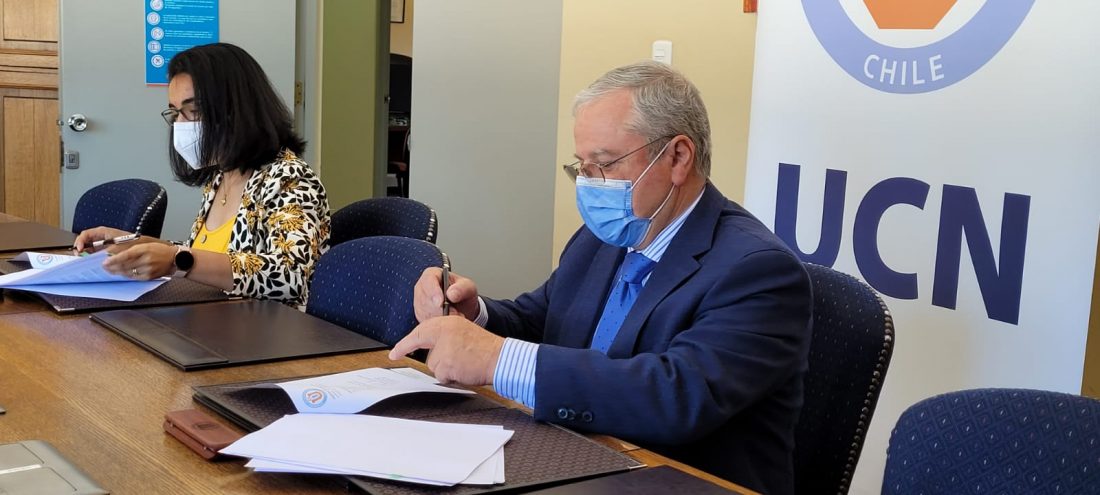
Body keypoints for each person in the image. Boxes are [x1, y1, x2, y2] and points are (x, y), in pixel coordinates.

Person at [389, 61, 812, 495]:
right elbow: (541, 321)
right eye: (583, 167)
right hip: (575, 459)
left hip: (674, 481)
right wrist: (473, 315)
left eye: (604, 164)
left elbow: (676, 396)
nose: (590, 184)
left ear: (678, 157)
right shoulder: (607, 236)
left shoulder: (758, 270)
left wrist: (495, 358)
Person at [73, 43, 330, 310]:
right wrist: (131, 245)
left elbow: (290, 275)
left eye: (194, 111)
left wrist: (175, 259)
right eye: (175, 112)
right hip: (214, 319)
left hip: (264, 329)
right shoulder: (220, 177)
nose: (180, 124)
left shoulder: (290, 178)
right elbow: (203, 255)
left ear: (238, 108)